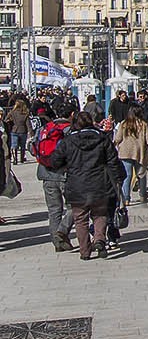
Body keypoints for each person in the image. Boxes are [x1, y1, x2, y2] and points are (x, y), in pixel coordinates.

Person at [52, 110, 121, 261]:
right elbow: (113, 161)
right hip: (99, 183)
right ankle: (99, 239)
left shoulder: (68, 141)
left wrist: (67, 166)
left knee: (80, 219)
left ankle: (85, 251)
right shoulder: (102, 138)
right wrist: (119, 177)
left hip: (76, 185)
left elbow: (55, 161)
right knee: (100, 214)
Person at [34, 102, 74, 251]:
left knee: (54, 210)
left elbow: (32, 147)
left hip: (46, 173)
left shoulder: (45, 128)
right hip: (65, 174)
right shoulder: (69, 130)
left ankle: (58, 243)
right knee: (74, 207)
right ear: (72, 114)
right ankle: (62, 232)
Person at [114, 112, 148, 205]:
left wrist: (115, 146)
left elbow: (118, 138)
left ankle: (126, 198)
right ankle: (143, 195)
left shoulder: (123, 123)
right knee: (141, 174)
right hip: (139, 152)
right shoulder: (143, 124)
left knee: (127, 175)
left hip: (125, 152)